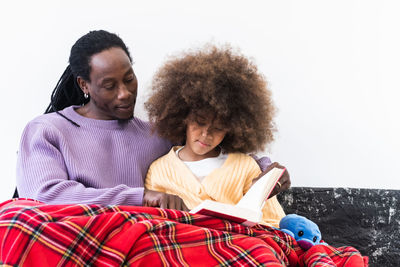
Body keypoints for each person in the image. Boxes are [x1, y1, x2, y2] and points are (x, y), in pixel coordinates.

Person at [16, 30, 187, 209]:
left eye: (129, 79)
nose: (124, 93)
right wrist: (140, 197)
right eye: (109, 86)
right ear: (84, 85)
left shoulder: (159, 136)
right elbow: (44, 196)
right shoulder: (47, 130)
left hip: (146, 234)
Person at [144, 45, 290, 227]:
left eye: (219, 128)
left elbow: (274, 223)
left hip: (239, 247)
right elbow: (154, 225)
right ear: (183, 116)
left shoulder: (245, 167)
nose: (206, 134)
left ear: (232, 129)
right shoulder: (158, 171)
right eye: (199, 121)